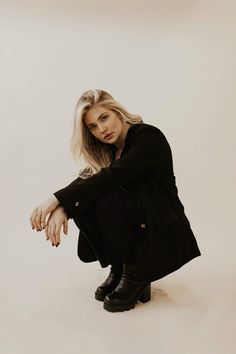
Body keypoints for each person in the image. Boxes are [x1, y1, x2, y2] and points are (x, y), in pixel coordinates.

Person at [29, 89, 201, 313]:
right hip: (141, 223)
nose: (102, 129)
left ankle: (136, 273)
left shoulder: (148, 137)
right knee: (86, 196)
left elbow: (113, 177)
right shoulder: (108, 152)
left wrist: (56, 200)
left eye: (104, 118)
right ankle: (120, 265)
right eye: (93, 126)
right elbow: (86, 180)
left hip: (161, 227)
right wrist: (63, 207)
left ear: (117, 112)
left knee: (104, 194)